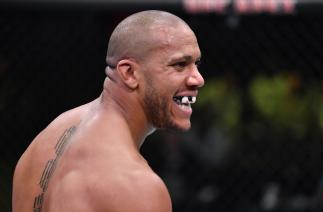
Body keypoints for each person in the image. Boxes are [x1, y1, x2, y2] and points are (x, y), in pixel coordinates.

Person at [12, 10, 204, 212]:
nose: (198, 79)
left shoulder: (44, 142)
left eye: (196, 64)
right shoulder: (137, 186)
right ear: (129, 73)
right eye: (180, 65)